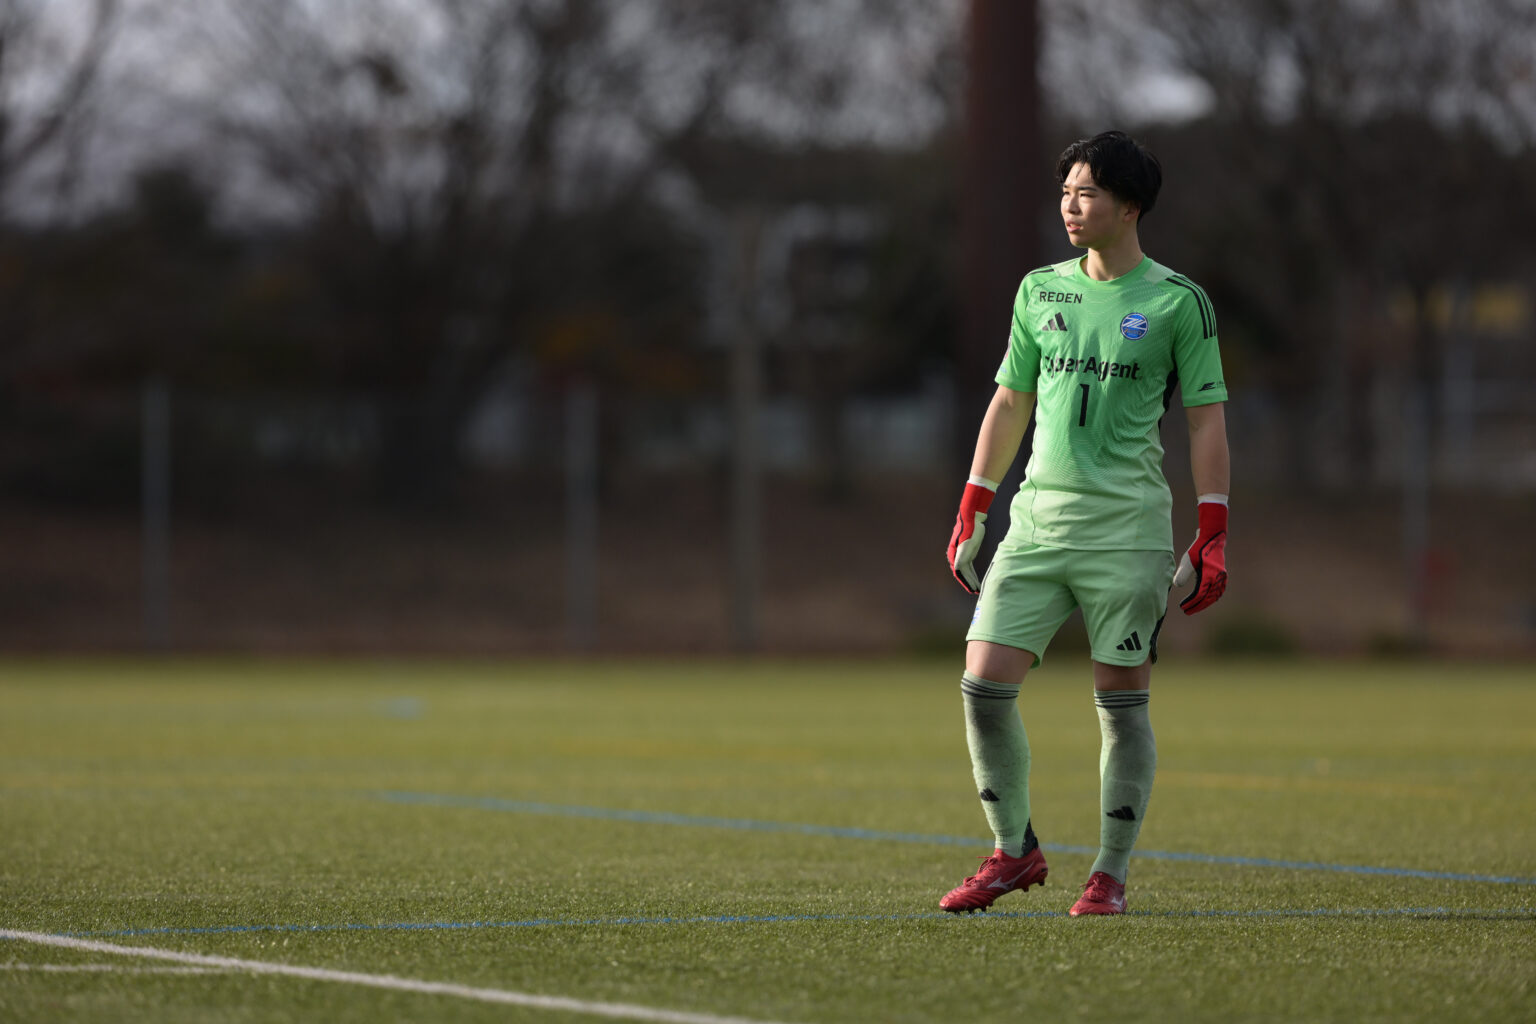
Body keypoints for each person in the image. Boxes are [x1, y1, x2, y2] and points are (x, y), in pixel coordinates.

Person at [941, 130, 1230, 917]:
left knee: (1121, 703)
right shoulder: (1039, 291)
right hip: (1036, 525)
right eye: (1066, 191)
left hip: (1127, 533)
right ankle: (1013, 852)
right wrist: (974, 505)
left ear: (1129, 206)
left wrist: (1211, 530)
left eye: (1088, 193)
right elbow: (1010, 400)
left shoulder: (1178, 302)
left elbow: (1205, 418)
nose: (1070, 206)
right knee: (982, 686)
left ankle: (1109, 873)